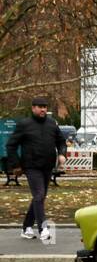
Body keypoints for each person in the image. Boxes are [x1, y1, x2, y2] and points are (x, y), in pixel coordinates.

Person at [6, 95, 67, 241]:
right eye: (40, 107)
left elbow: (61, 141)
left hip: (47, 166)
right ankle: (43, 229)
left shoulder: (52, 123)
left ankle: (26, 227)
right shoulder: (24, 124)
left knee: (39, 198)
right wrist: (16, 165)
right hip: (31, 166)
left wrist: (62, 154)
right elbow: (11, 145)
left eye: (45, 107)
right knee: (39, 195)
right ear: (33, 108)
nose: (43, 109)